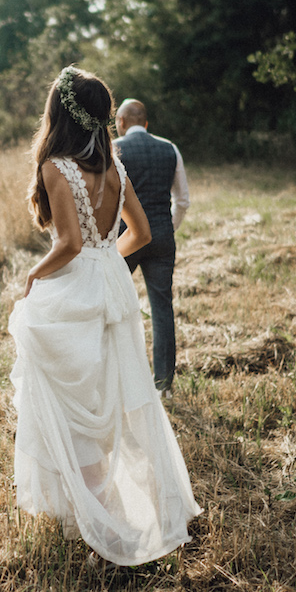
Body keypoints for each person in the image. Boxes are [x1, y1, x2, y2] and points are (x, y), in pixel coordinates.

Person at [8, 66, 201, 566]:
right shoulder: (113, 169)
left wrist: (33, 275)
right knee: (110, 396)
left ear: (59, 114)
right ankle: (104, 515)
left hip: (74, 289)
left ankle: (100, 522)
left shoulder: (55, 166)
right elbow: (141, 233)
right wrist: (107, 258)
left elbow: (69, 244)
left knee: (72, 400)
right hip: (111, 285)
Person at [113, 98, 189, 396]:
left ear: (120, 122)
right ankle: (163, 386)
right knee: (162, 307)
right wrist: (168, 227)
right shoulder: (170, 148)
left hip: (125, 239)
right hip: (161, 236)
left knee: (114, 303)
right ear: (146, 123)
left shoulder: (115, 150)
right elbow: (182, 201)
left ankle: (121, 380)